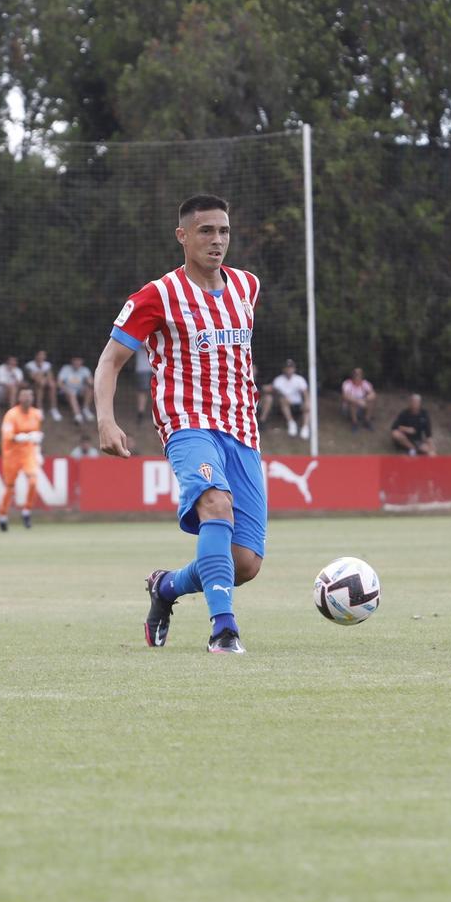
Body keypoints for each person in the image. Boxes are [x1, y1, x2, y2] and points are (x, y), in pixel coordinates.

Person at [100, 193, 266, 656]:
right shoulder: (157, 295)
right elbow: (110, 361)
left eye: (224, 231)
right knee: (215, 506)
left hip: (243, 431)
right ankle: (224, 631)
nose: (217, 241)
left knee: (244, 564)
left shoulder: (247, 287)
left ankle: (167, 587)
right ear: (183, 236)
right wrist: (106, 421)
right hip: (188, 426)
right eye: (206, 231)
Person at [0, 386, 45, 531]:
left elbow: (37, 434)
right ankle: (3, 515)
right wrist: (21, 437)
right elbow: (7, 435)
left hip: (28, 453)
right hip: (11, 454)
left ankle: (26, 511)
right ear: (19, 398)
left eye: (30, 396)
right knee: (10, 487)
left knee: (33, 481)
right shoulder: (11, 415)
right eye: (24, 396)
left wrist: (38, 451)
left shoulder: (36, 414)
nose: (27, 399)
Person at [261, 358, 310, 438]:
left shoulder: (299, 379)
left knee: (309, 404)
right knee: (283, 400)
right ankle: (291, 423)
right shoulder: (278, 380)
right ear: (284, 369)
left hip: (298, 404)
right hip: (284, 405)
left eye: (291, 367)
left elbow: (305, 393)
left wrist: (307, 402)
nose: (289, 369)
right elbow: (275, 392)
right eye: (287, 368)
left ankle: (305, 427)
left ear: (294, 369)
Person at [57, 354, 94, 424]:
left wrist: (89, 381)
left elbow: (91, 382)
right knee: (71, 393)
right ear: (72, 361)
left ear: (82, 361)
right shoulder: (66, 368)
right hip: (66, 392)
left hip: (79, 391)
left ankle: (85, 409)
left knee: (89, 389)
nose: (77, 362)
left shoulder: (85, 369)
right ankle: (77, 415)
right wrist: (66, 390)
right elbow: (59, 383)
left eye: (79, 360)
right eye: (75, 360)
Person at [26, 350, 57, 414]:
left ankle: (53, 408)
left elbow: (50, 377)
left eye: (43, 355)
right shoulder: (29, 365)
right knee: (41, 384)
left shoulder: (47, 364)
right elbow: (33, 377)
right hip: (31, 385)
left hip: (45, 383)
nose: (42, 356)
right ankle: (39, 408)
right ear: (36, 355)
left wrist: (43, 378)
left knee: (52, 385)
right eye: (40, 355)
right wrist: (43, 377)